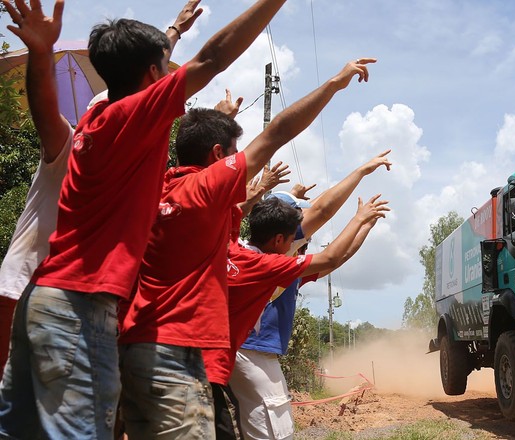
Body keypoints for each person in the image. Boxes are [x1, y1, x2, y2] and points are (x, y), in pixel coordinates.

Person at [118, 57, 376, 439]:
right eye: (232, 153)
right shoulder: (207, 200)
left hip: (133, 349)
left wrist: (215, 120)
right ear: (217, 157)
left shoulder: (153, 192)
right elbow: (277, 133)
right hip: (186, 360)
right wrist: (334, 84)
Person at [0, 1, 200, 438]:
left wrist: (173, 32)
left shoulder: (88, 137)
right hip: (52, 292)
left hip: (40, 290)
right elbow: (145, 80)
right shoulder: (89, 140)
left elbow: (138, 71)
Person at [229, 151, 392, 440]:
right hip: (251, 351)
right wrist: (360, 200)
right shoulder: (270, 265)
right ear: (280, 237)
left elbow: (337, 258)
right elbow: (327, 239)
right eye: (297, 230)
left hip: (245, 352)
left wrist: (364, 224)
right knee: (274, 432)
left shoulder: (244, 252)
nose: (302, 237)